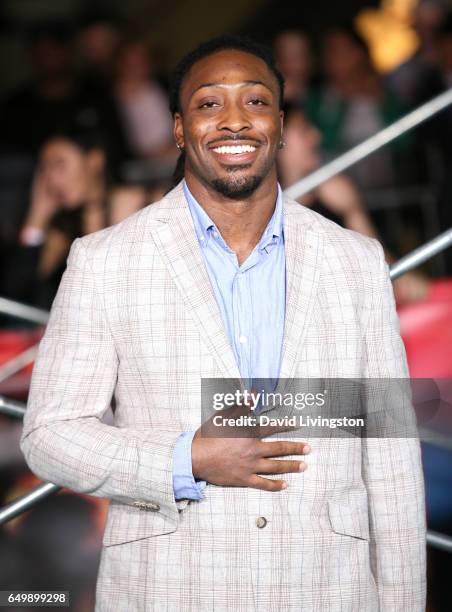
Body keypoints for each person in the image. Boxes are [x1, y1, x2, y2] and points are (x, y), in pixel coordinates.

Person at [21, 35, 426, 611]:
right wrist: (187, 458)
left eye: (256, 102)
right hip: (170, 588)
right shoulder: (105, 258)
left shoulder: (355, 261)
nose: (234, 120)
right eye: (209, 104)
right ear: (181, 130)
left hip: (327, 588)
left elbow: (390, 462)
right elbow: (50, 435)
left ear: (281, 125)